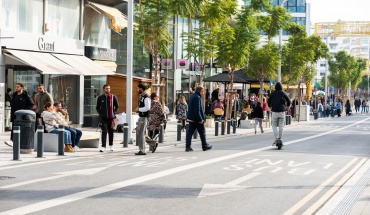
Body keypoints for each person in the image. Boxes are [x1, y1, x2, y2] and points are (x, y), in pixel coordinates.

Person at [185, 86, 212, 152]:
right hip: (197, 119)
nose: (203, 93)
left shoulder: (193, 96)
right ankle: (204, 146)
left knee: (190, 133)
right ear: (200, 91)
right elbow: (197, 110)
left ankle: (188, 146)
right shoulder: (197, 97)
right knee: (202, 132)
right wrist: (200, 119)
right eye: (203, 91)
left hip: (192, 118)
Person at [96, 84, 119, 152]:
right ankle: (103, 146)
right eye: (106, 88)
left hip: (111, 118)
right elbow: (97, 108)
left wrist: (114, 113)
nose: (108, 90)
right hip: (103, 118)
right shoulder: (100, 98)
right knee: (104, 132)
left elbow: (117, 106)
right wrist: (101, 113)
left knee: (111, 132)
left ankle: (111, 145)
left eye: (109, 88)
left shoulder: (113, 97)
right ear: (104, 89)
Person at [135, 84, 150, 155]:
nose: (137, 90)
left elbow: (147, 108)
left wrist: (139, 109)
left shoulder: (146, 97)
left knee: (141, 133)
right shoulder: (142, 97)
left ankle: (143, 150)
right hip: (141, 117)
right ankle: (141, 149)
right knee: (140, 133)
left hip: (144, 117)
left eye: (138, 88)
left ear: (141, 89)